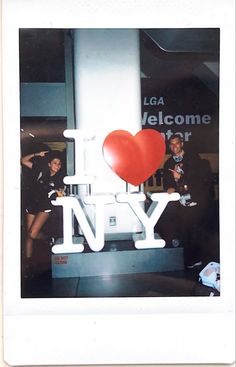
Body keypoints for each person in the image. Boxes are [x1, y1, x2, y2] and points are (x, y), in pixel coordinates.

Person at [156, 134, 214, 269]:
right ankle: (189, 259)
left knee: (196, 230)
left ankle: (197, 259)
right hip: (181, 202)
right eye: (172, 144)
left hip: (195, 199)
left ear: (182, 144)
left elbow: (199, 179)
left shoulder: (193, 158)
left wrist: (180, 176)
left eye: (177, 143)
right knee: (184, 230)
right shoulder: (169, 163)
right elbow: (167, 182)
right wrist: (170, 186)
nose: (174, 146)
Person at [21, 150, 65, 278]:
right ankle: (28, 264)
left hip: (45, 207)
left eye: (60, 164)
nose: (57, 166)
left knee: (32, 233)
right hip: (32, 204)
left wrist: (59, 192)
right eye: (55, 163)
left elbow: (60, 192)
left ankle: (48, 239)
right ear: (49, 164)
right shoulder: (39, 170)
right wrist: (36, 154)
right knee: (28, 235)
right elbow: (23, 161)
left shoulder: (59, 179)